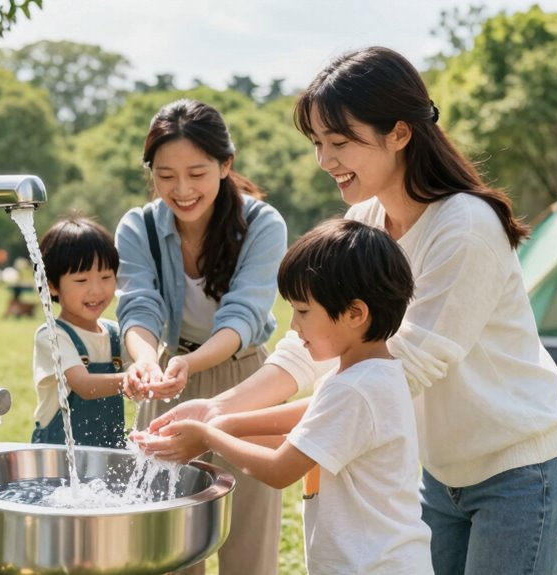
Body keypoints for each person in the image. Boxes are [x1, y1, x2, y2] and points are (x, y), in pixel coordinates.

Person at [141, 47, 557, 575]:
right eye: (319, 143)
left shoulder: (464, 228)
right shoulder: (365, 219)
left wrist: (223, 425)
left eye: (341, 142)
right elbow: (307, 351)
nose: (325, 160)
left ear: (398, 133)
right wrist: (217, 409)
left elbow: (395, 377)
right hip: (439, 476)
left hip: (517, 473)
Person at [146, 218, 432, 574]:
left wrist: (208, 437)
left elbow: (281, 469)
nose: (294, 326)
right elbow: (303, 427)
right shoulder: (368, 375)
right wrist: (218, 420)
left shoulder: (355, 389)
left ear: (355, 313)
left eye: (302, 311)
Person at [114, 99, 287, 575]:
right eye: (166, 175)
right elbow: (138, 305)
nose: (182, 189)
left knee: (248, 541)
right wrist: (144, 361)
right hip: (168, 382)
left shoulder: (262, 225)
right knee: (167, 541)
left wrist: (190, 364)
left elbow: (243, 316)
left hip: (246, 381)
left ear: (225, 165)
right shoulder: (139, 226)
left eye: (197, 172)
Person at [30, 216, 128, 448]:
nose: (96, 290)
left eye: (106, 277)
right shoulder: (52, 336)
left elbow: (140, 369)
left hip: (109, 454)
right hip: (59, 455)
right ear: (52, 285)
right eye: (81, 280)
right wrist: (133, 381)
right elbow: (84, 385)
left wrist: (151, 377)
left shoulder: (116, 333)